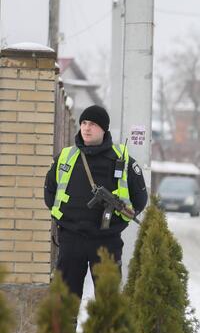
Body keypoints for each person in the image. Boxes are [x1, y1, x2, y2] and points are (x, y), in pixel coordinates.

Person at [43, 105, 147, 301]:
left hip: (107, 241)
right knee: (64, 303)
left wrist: (118, 221)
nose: (86, 128)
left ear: (104, 129)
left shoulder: (122, 159)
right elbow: (49, 192)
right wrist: (66, 221)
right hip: (71, 240)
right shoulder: (65, 157)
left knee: (108, 305)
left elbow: (140, 198)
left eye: (92, 124)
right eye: (83, 123)